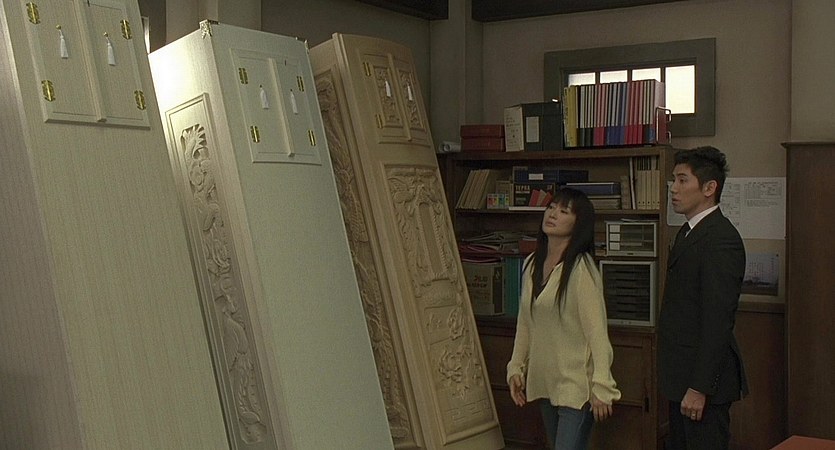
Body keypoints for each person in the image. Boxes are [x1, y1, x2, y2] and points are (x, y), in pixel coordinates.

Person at [506, 187, 621, 450]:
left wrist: (602, 386)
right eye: (551, 208)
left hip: (576, 386)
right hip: (545, 382)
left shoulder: (582, 269)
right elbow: (526, 324)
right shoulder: (532, 263)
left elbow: (597, 335)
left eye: (564, 211)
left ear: (578, 223)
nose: (553, 214)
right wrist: (516, 368)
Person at [659, 146, 748, 450]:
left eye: (683, 180)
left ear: (710, 188)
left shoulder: (720, 238)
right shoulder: (687, 232)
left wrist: (699, 387)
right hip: (680, 375)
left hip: (702, 383)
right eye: (674, 180)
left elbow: (717, 320)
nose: (674, 188)